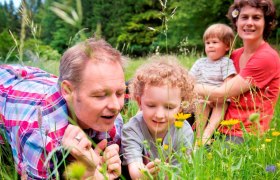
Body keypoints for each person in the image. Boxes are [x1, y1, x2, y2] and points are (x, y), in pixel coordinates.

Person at [0, 38, 126, 179]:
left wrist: (95, 173)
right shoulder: (40, 134)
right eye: (101, 95)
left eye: (120, 93)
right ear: (68, 90)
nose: (116, 106)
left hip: (35, 77)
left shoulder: (112, 118)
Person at [195, 0, 280, 144]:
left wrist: (188, 86)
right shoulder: (233, 55)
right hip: (219, 123)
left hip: (243, 133)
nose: (249, 23)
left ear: (266, 23)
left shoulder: (266, 57)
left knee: (203, 157)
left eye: (256, 17)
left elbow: (223, 92)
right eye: (244, 17)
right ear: (237, 21)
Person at [121, 56, 194, 179]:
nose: (159, 115)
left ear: (181, 107)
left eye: (169, 107)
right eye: (151, 105)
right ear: (140, 102)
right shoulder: (132, 129)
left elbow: (181, 172)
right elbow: (134, 169)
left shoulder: (184, 132)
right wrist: (145, 175)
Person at [189, 23, 237, 145]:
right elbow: (190, 79)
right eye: (207, 43)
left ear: (227, 46)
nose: (210, 46)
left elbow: (228, 84)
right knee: (200, 103)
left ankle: (208, 133)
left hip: (219, 96)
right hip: (202, 95)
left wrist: (216, 97)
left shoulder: (226, 63)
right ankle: (199, 137)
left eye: (215, 42)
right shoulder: (200, 62)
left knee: (221, 106)